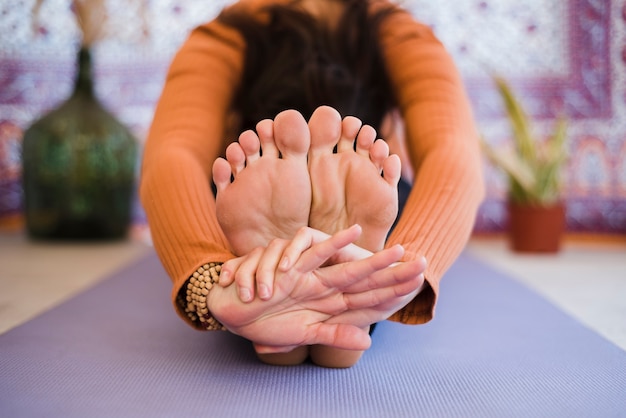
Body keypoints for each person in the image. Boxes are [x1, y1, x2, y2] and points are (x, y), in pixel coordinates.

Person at [140, 0, 484, 367]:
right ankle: (350, 287)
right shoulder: (400, 30)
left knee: (234, 193)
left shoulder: (225, 32)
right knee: (384, 189)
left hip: (256, 183)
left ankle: (266, 281)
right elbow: (453, 152)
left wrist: (210, 275)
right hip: (339, 188)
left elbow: (173, 154)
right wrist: (404, 266)